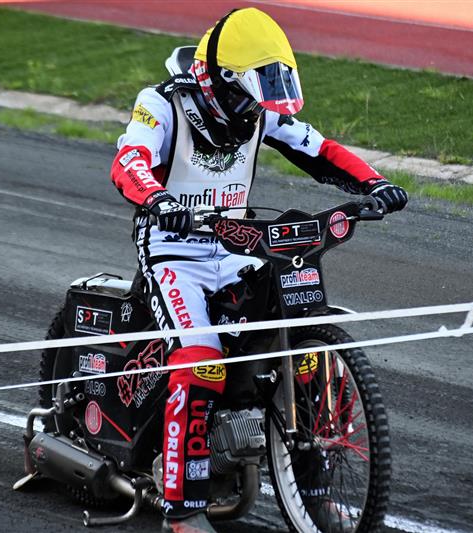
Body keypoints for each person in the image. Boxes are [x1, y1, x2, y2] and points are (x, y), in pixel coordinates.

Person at [110, 7, 407, 532]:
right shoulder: (161, 103)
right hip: (173, 250)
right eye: (249, 93)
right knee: (201, 360)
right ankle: (182, 510)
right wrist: (157, 199)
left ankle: (311, 490)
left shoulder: (259, 111)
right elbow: (128, 161)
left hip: (237, 245)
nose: (256, 107)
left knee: (298, 336)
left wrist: (374, 184)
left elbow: (321, 150)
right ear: (222, 81)